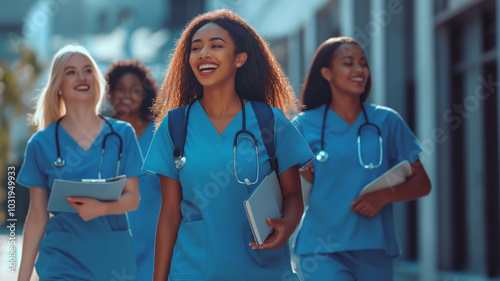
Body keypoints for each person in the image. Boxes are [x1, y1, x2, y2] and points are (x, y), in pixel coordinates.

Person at [142, 9, 313, 281]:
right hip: (195, 272)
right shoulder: (175, 127)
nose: (203, 54)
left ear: (240, 58)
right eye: (196, 48)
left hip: (265, 272)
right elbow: (170, 215)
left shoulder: (270, 121)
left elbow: (293, 195)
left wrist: (289, 224)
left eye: (216, 46)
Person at [293, 36, 432, 281]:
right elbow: (285, 187)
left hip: (373, 245)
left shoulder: (387, 121)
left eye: (363, 63)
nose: (359, 70)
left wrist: (383, 196)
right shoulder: (303, 125)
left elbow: (422, 182)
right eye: (349, 63)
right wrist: (301, 176)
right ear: (327, 73)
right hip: (321, 248)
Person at [16, 45, 143, 281]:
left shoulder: (122, 134)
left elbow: (133, 198)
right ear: (58, 85)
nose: (81, 77)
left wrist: (101, 208)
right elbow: (36, 216)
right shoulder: (41, 143)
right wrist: (22, 278)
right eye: (71, 72)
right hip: (61, 261)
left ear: (95, 79)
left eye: (87, 70)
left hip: (112, 262)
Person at [106, 59, 161, 281]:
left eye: (135, 90)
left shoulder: (161, 134)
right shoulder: (100, 134)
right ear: (110, 92)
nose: (127, 95)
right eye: (120, 88)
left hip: (154, 244)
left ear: (145, 94)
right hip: (109, 242)